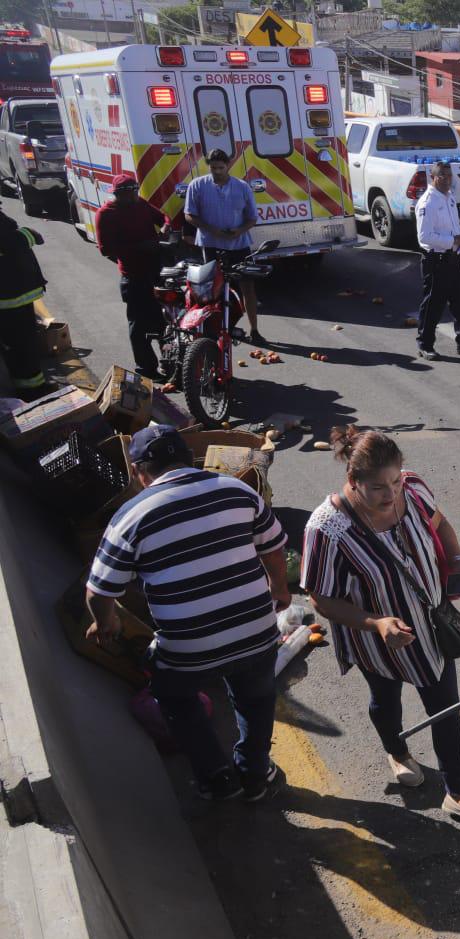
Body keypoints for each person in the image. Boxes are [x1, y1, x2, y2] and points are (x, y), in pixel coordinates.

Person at [301, 427, 460, 825]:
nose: (391, 495)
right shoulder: (326, 528)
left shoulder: (413, 489)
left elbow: (440, 523)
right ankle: (397, 752)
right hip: (378, 642)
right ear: (352, 481)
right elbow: (320, 599)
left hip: (430, 631)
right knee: (385, 701)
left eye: (394, 480)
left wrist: (457, 560)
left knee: (447, 710)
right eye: (377, 487)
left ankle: (456, 793)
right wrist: (375, 624)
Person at [86, 425, 291, 801]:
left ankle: (216, 779)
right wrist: (279, 588)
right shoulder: (237, 490)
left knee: (174, 695)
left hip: (189, 648)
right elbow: (274, 548)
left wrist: (106, 621)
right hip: (258, 632)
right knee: (256, 698)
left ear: (137, 471)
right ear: (188, 456)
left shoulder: (130, 516)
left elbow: (99, 590)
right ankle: (256, 774)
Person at [182, 149, 263, 343]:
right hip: (210, 245)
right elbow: (189, 215)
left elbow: (252, 217)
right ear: (208, 166)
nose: (217, 171)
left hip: (239, 244)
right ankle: (214, 329)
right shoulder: (197, 185)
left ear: (228, 165)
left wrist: (239, 230)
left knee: (247, 287)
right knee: (211, 289)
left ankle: (254, 329)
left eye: (221, 167)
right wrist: (211, 229)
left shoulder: (242, 187)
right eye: (213, 168)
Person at [95, 173, 169, 379]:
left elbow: (162, 217)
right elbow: (105, 249)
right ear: (119, 195)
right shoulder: (106, 214)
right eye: (129, 194)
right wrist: (140, 247)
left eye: (135, 192)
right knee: (139, 327)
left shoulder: (140, 204)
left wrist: (164, 227)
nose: (134, 196)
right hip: (134, 277)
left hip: (156, 272)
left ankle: (170, 363)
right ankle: (146, 369)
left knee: (163, 321)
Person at [414, 160, 460, 361]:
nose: (447, 180)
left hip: (453, 258)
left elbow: (455, 225)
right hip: (436, 260)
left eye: (449, 176)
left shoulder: (449, 198)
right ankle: (425, 344)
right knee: (433, 305)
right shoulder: (428, 202)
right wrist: (452, 241)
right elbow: (424, 237)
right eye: (442, 176)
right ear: (433, 177)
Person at [0, 198, 51, 401]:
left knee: (23, 347)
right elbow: (11, 242)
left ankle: (33, 387)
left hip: (14, 299)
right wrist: (30, 233)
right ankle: (32, 392)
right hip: (11, 301)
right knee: (23, 348)